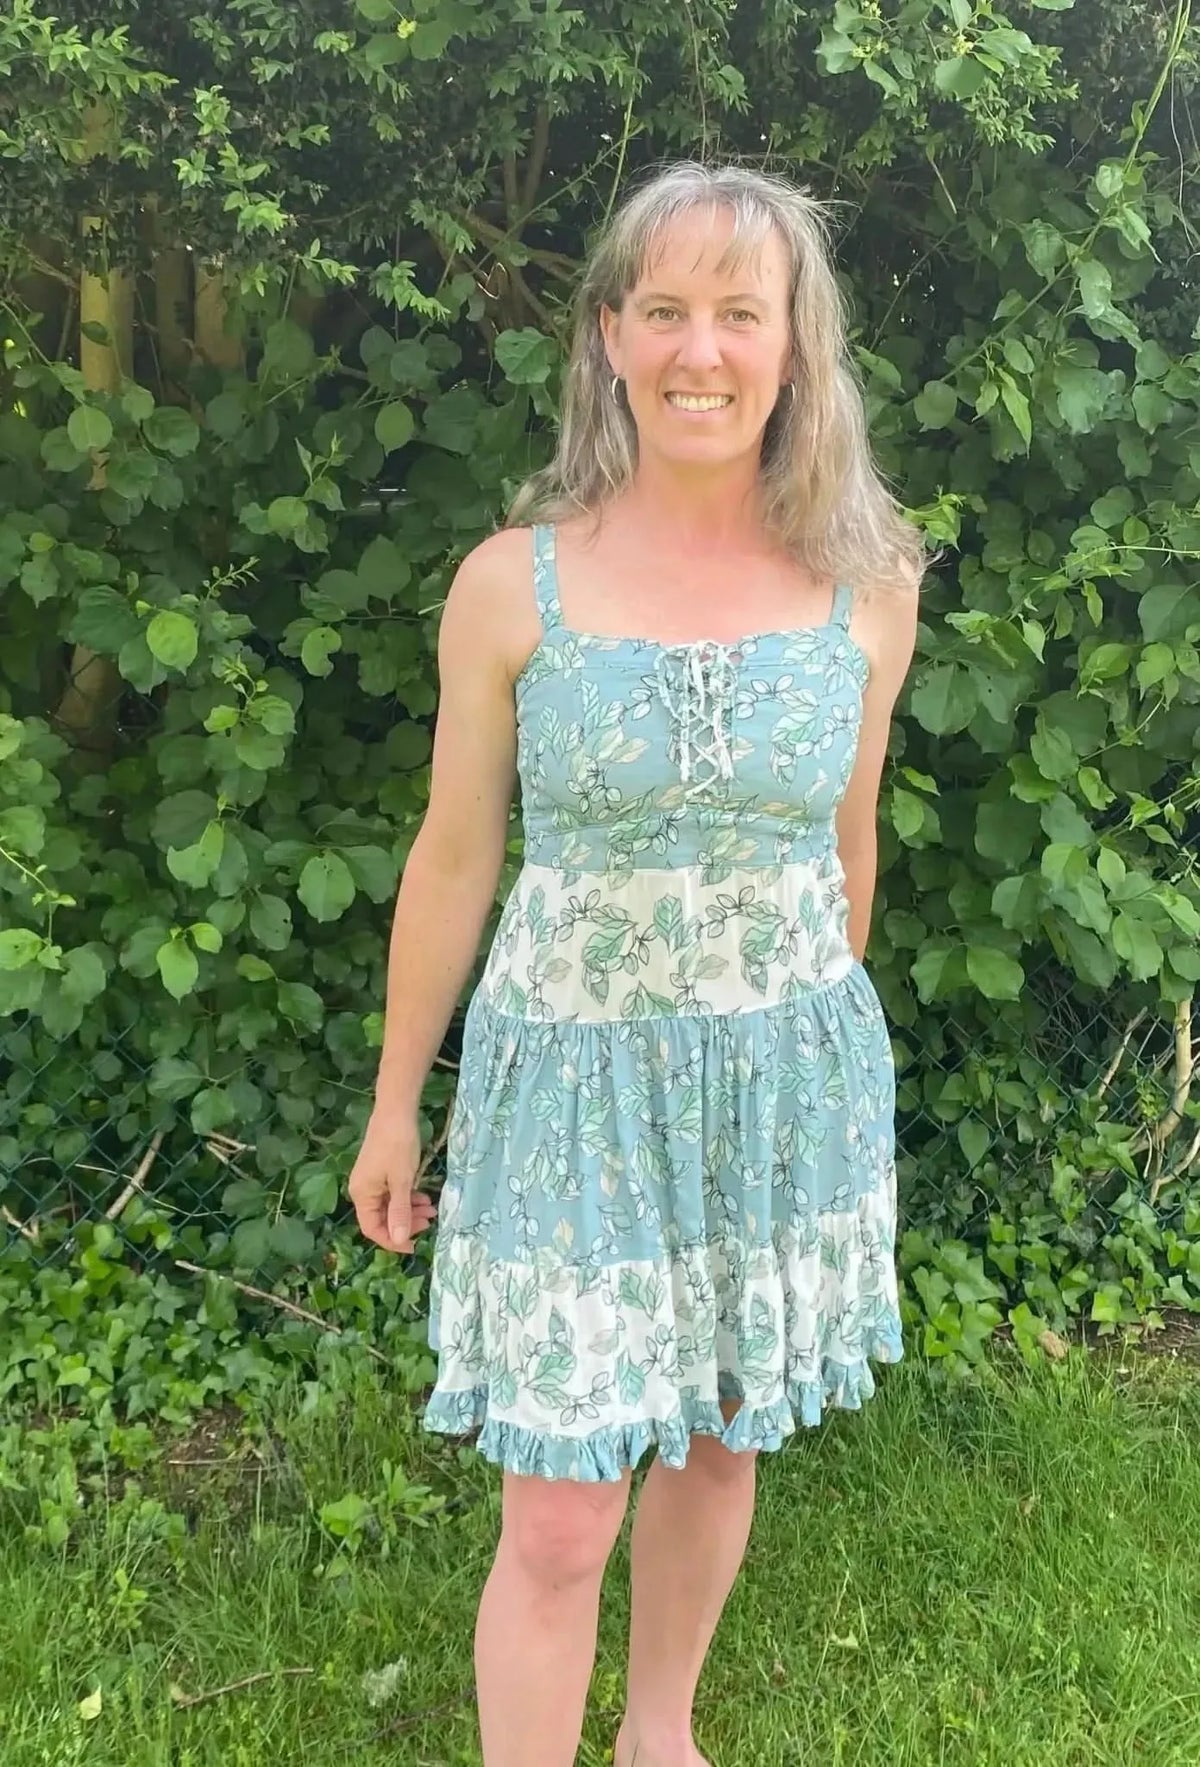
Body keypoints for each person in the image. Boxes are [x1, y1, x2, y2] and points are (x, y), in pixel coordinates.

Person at [349, 160, 925, 1767]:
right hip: (571, 1102)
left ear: (796, 346)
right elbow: (455, 859)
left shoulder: (871, 591)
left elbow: (849, 850)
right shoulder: (510, 587)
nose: (701, 350)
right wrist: (401, 1105)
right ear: (608, 337)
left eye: (742, 314)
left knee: (721, 1448)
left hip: (773, 1094)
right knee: (553, 1522)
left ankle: (658, 1738)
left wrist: (805, 1074)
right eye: (664, 309)